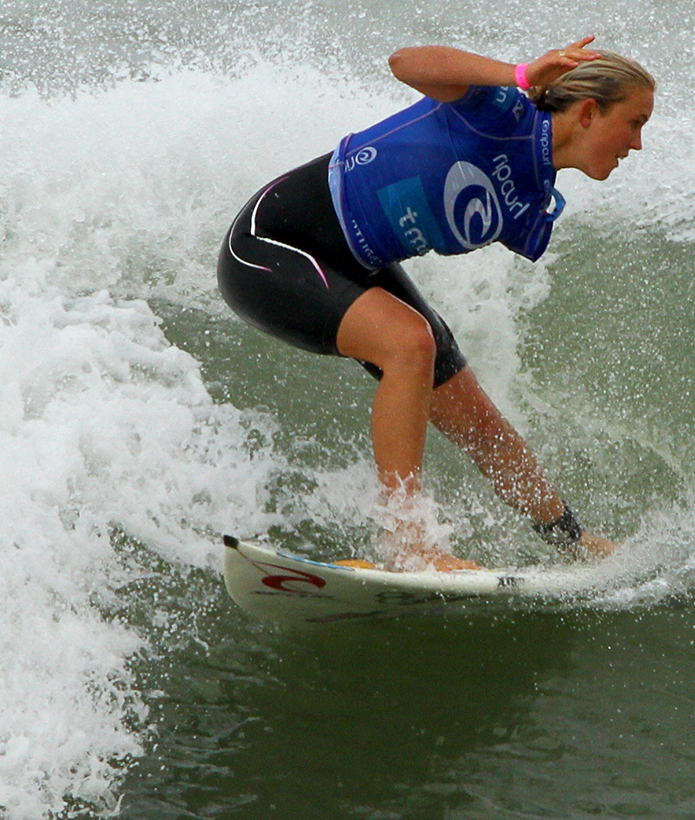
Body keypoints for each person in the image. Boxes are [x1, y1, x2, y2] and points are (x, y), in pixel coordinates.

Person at [216, 38, 653, 570]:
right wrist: (518, 73)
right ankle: (408, 543)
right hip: (272, 242)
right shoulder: (497, 108)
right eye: (634, 123)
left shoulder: (535, 201)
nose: (636, 144)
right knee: (408, 342)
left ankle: (571, 541)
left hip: (359, 265)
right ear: (588, 111)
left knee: (479, 421)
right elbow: (405, 62)